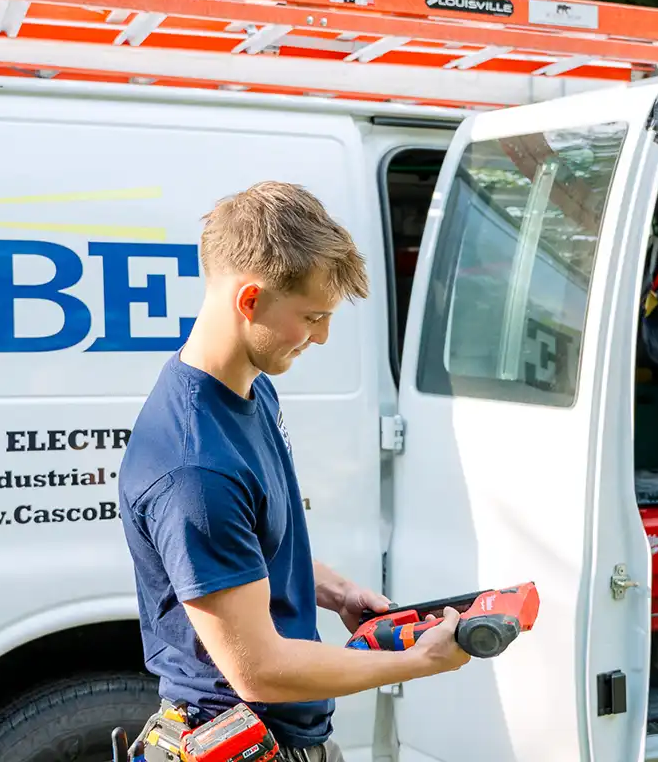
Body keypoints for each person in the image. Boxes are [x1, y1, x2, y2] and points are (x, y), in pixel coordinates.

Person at [116, 181, 471, 761]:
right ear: (250, 300)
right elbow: (258, 670)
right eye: (312, 316)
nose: (322, 336)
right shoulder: (195, 469)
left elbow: (257, 547)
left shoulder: (251, 390)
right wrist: (417, 661)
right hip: (239, 739)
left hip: (289, 737)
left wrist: (337, 590)